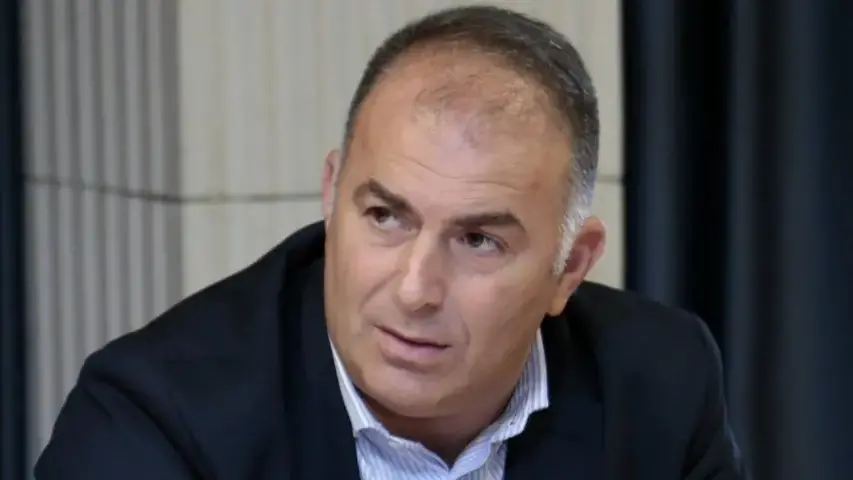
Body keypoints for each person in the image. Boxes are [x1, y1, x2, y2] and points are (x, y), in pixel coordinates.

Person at [35, 5, 746, 480]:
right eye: (385, 216)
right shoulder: (155, 420)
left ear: (571, 267)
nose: (414, 289)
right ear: (331, 193)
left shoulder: (660, 381)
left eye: (478, 240)